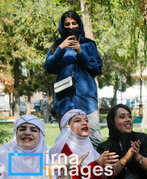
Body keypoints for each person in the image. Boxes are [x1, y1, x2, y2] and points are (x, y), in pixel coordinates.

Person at [44, 10, 103, 148]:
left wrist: (80, 52)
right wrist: (60, 49)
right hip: (64, 101)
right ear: (62, 26)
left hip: (87, 101)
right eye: (67, 24)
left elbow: (97, 69)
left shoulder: (89, 45)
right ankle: (71, 169)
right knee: (66, 142)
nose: (71, 27)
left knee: (94, 140)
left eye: (74, 23)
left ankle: (95, 169)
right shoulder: (57, 45)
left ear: (79, 24)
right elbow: (48, 67)